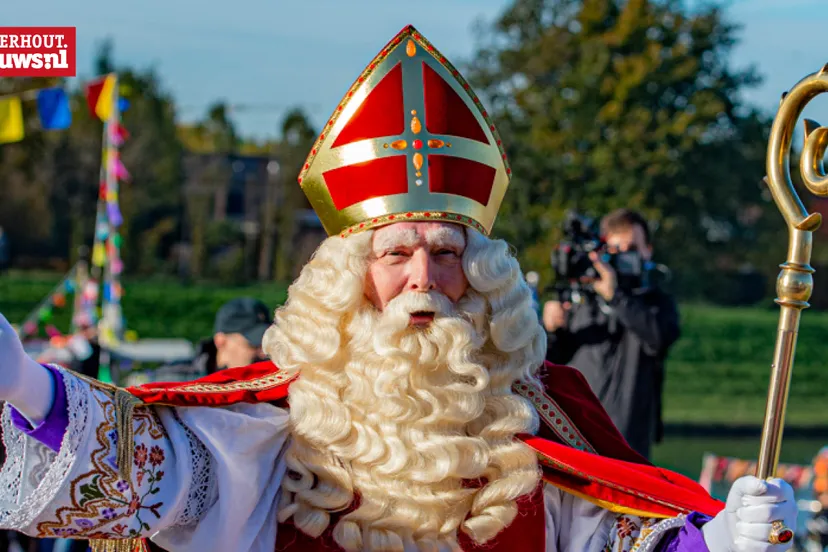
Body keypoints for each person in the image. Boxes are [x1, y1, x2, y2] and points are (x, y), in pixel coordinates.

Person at [0, 25, 796, 552]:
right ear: (351, 279)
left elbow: (620, 536)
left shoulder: (541, 410)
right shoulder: (277, 419)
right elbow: (151, 469)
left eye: (446, 253)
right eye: (397, 255)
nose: (423, 280)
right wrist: (26, 384)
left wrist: (718, 539)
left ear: (480, 277)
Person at [544, 208, 680, 459]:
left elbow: (659, 338)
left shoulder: (656, 302)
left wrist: (615, 296)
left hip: (628, 446)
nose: (623, 258)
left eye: (632, 248)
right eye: (616, 251)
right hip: (577, 442)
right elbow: (550, 362)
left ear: (648, 250)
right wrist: (551, 330)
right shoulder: (580, 301)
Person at [151, 297, 272, 382]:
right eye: (254, 344)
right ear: (221, 341)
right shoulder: (175, 381)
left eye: (268, 345)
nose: (264, 353)